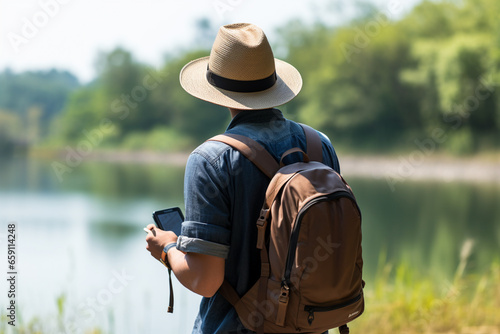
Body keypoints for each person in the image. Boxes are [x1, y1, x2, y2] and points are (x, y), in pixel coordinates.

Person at [145, 23, 340, 334]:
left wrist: (167, 248)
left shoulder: (210, 159)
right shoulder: (320, 146)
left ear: (218, 92)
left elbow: (206, 281)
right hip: (310, 326)